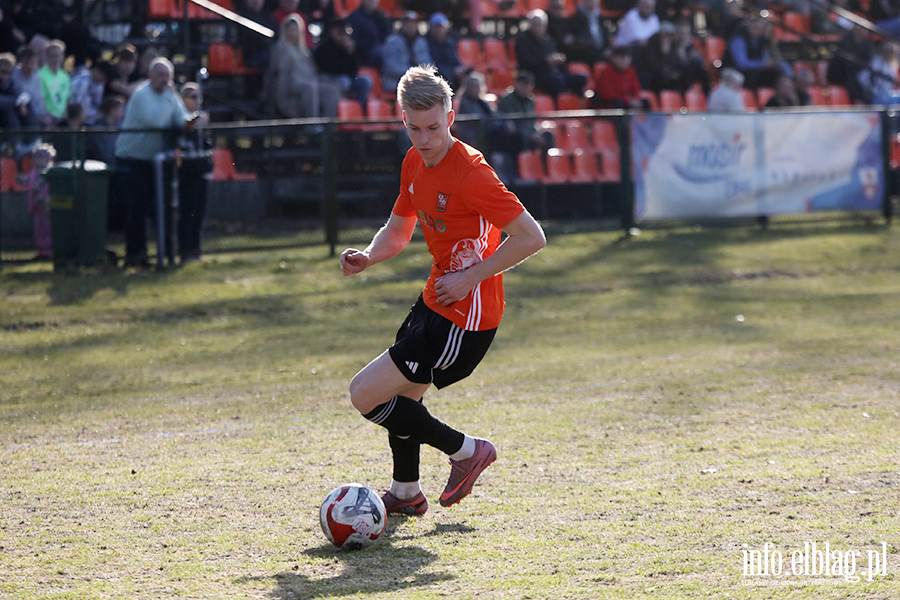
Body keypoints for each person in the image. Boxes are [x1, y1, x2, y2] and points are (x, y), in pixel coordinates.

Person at [339, 64, 546, 515]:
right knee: (403, 398)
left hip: (466, 319)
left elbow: (532, 237)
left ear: (450, 117)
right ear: (403, 120)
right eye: (414, 129)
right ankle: (406, 492)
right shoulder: (413, 162)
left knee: (365, 393)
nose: (425, 139)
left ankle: (467, 451)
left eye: (433, 127)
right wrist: (368, 257)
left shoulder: (472, 173)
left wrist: (471, 276)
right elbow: (398, 232)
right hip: (435, 301)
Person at [114, 57, 203, 267]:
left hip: (153, 161)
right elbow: (156, 122)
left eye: (168, 76)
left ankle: (161, 254)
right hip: (132, 159)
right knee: (136, 208)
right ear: (150, 76)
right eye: (161, 75)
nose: (165, 80)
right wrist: (171, 98)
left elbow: (180, 118)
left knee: (155, 208)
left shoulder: (169, 96)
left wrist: (191, 121)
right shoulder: (142, 95)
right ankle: (135, 256)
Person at [269, 13, 344, 118]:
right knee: (309, 87)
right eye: (290, 30)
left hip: (309, 80)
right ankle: (312, 124)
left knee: (332, 89)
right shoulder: (280, 48)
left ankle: (329, 124)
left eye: (295, 30)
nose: (293, 33)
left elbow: (312, 71)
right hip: (292, 83)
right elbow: (280, 74)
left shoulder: (304, 51)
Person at [177, 82, 212, 264]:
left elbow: (208, 145)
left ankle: (196, 250)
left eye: (199, 97)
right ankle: (185, 251)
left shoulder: (201, 122)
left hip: (201, 171)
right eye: (192, 97)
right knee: (187, 213)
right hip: (187, 173)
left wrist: (205, 131)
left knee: (199, 213)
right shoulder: (180, 118)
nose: (196, 101)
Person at [515, 9, 587, 97]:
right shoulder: (523, 41)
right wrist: (546, 60)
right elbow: (525, 62)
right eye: (536, 24)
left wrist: (559, 61)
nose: (539, 27)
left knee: (581, 78)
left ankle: (574, 102)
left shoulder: (548, 41)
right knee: (557, 81)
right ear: (530, 25)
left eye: (541, 25)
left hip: (555, 74)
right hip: (537, 76)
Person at [314, 18, 373, 110]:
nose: (343, 36)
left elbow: (354, 70)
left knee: (365, 81)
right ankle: (343, 108)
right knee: (345, 81)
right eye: (340, 33)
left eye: (346, 33)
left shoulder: (348, 46)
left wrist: (350, 53)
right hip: (329, 79)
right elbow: (332, 69)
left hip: (347, 77)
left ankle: (357, 108)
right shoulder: (325, 47)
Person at [639, 20, 709, 94]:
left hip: (683, 74)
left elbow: (699, 61)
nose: (683, 36)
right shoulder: (663, 44)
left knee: (701, 70)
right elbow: (657, 65)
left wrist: (683, 53)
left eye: (686, 33)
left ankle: (707, 96)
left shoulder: (688, 46)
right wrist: (666, 53)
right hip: (666, 75)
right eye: (681, 33)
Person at [723, 17, 785, 91]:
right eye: (755, 27)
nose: (757, 31)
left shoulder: (761, 41)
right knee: (751, 76)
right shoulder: (738, 39)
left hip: (755, 70)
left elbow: (764, 58)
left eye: (760, 29)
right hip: (734, 69)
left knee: (776, 73)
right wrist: (762, 64)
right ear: (749, 25)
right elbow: (741, 63)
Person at [381, 12, 433, 95]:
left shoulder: (422, 42)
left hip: (418, 83)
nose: (410, 27)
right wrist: (412, 73)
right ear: (402, 25)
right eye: (408, 24)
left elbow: (427, 64)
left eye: (413, 24)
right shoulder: (391, 42)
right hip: (395, 81)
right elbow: (390, 66)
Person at [26, 144, 55, 260]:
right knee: (39, 229)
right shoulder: (34, 172)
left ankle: (49, 250)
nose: (36, 161)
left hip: (45, 204)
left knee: (47, 228)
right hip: (37, 205)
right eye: (35, 158)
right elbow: (27, 180)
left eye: (40, 158)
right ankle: (41, 250)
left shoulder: (49, 172)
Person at [425, 12, 467, 91]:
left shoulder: (450, 43)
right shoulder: (425, 43)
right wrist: (452, 71)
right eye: (436, 27)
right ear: (430, 28)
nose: (439, 30)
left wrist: (461, 70)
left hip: (452, 75)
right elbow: (429, 65)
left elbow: (456, 62)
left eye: (441, 27)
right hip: (436, 78)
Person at [12, 46, 52, 126]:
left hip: (39, 115)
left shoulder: (38, 78)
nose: (30, 66)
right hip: (21, 113)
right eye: (27, 63)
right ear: (21, 62)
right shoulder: (13, 75)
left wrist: (46, 116)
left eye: (32, 63)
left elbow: (40, 101)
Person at [346, 0, 393, 69]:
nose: (372, 1)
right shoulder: (354, 18)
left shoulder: (382, 16)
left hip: (383, 47)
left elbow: (390, 35)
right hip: (366, 53)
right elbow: (353, 41)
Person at [38, 39, 70, 124]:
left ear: (62, 57)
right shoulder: (40, 75)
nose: (55, 59)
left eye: (58, 55)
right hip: (47, 118)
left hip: (62, 118)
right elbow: (40, 100)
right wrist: (47, 116)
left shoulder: (65, 76)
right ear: (47, 56)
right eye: (53, 56)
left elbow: (67, 99)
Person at [859, 40, 900, 105]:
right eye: (888, 51)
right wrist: (870, 89)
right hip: (876, 96)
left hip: (888, 95)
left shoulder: (891, 65)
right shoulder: (875, 63)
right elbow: (862, 77)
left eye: (892, 52)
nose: (890, 54)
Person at [0, 51, 34, 129]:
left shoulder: (10, 84)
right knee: (9, 110)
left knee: (27, 107)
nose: (5, 76)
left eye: (9, 73)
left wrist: (22, 105)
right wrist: (17, 102)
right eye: (3, 72)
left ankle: (32, 135)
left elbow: (17, 97)